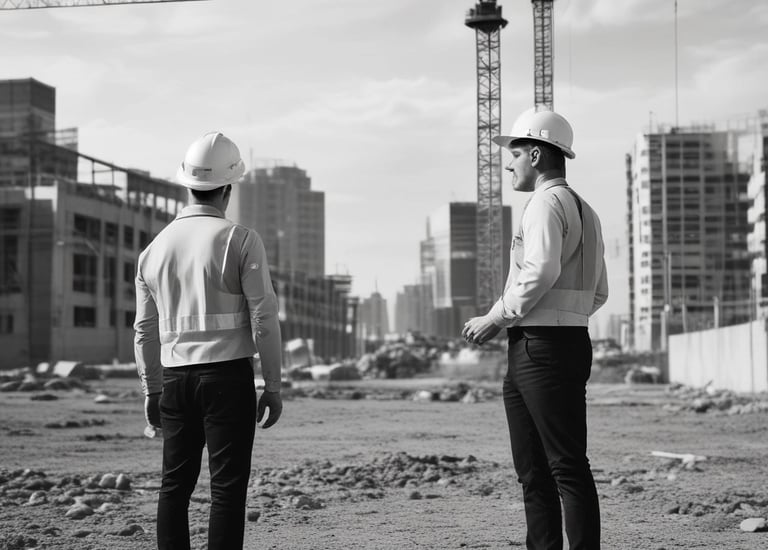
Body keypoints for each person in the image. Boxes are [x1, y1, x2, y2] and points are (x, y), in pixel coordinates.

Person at [462, 108, 608, 550]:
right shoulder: (587, 211)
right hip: (565, 343)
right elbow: (599, 292)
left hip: (539, 347)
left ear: (539, 154)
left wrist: (496, 316)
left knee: (555, 470)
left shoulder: (544, 204)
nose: (510, 163)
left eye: (516, 153)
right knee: (545, 469)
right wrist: (568, 316)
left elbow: (540, 269)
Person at [134, 131, 283, 550]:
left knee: (173, 486)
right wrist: (272, 386)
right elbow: (264, 317)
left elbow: (144, 330)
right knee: (227, 490)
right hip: (227, 380)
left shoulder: (153, 251)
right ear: (228, 189)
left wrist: (152, 388)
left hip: (176, 382)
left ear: (187, 185)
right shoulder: (240, 239)